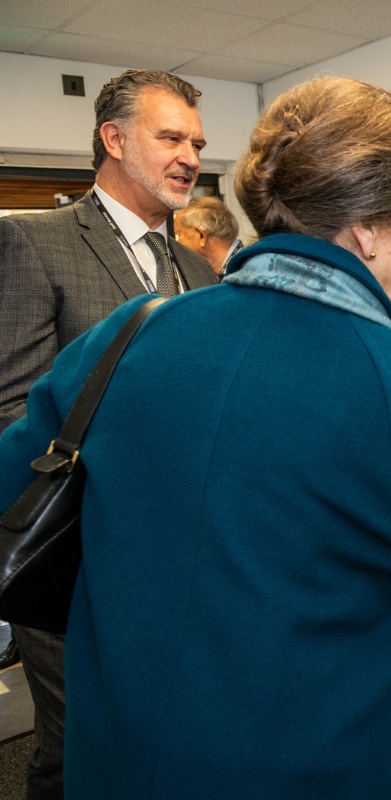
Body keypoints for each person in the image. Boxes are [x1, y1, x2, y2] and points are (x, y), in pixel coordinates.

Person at [0, 76, 391, 800]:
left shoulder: (127, 334)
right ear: (366, 230)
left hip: (118, 760)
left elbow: (18, 490)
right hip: (317, 768)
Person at [0, 68, 215, 800]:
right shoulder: (37, 243)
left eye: (197, 141)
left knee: (153, 733)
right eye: (172, 137)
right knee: (75, 743)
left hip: (178, 553)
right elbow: (16, 412)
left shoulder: (197, 269)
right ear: (113, 138)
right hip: (77, 550)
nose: (191, 155)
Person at [173, 195, 243, 276]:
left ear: (201, 235)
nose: (177, 242)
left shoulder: (245, 275)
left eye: (179, 234)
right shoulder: (236, 269)